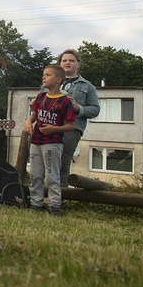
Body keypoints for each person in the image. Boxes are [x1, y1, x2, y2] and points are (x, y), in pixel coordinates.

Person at [23, 65, 76, 216]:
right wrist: (28, 123)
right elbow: (34, 115)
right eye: (43, 75)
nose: (43, 78)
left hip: (53, 143)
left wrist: (55, 129)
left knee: (52, 176)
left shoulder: (65, 102)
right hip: (36, 141)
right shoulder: (40, 97)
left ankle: (54, 206)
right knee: (35, 174)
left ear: (58, 79)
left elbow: (71, 125)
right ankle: (36, 203)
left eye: (47, 75)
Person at [58, 49, 100, 187]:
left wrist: (78, 109)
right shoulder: (50, 81)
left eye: (71, 60)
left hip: (72, 127)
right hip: (49, 127)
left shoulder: (88, 86)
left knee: (63, 163)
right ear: (60, 64)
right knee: (43, 161)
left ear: (78, 64)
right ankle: (40, 197)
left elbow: (95, 109)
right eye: (64, 60)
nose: (67, 63)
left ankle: (59, 199)